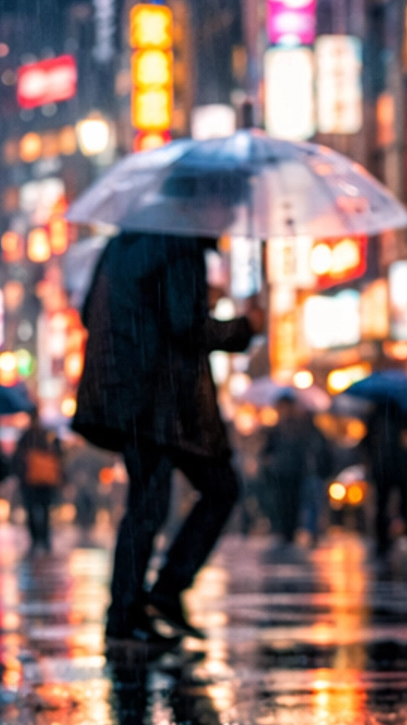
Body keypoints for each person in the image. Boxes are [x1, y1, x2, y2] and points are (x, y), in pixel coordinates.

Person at [74, 231, 261, 645]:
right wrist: (245, 326)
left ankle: (132, 609)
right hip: (163, 399)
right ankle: (150, 600)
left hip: (126, 393)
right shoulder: (180, 245)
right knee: (210, 490)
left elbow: (90, 312)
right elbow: (187, 328)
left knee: (149, 502)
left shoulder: (122, 244)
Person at [365, 398, 407, 556]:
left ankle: (383, 542)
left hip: (385, 469)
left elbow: (365, 444)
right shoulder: (403, 417)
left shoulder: (375, 418)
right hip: (401, 469)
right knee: (406, 505)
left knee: (383, 506)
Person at [262, 394, 326, 543]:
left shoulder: (297, 427)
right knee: (283, 502)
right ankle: (285, 530)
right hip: (282, 471)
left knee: (292, 502)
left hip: (294, 471)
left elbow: (304, 448)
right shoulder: (278, 428)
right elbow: (268, 449)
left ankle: (289, 531)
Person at [14, 416, 63, 550]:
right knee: (45, 510)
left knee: (31, 510)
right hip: (44, 481)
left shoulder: (25, 437)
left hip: (29, 481)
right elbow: (58, 455)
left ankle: (36, 539)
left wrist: (21, 474)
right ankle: (43, 539)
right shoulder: (47, 435)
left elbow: (17, 458)